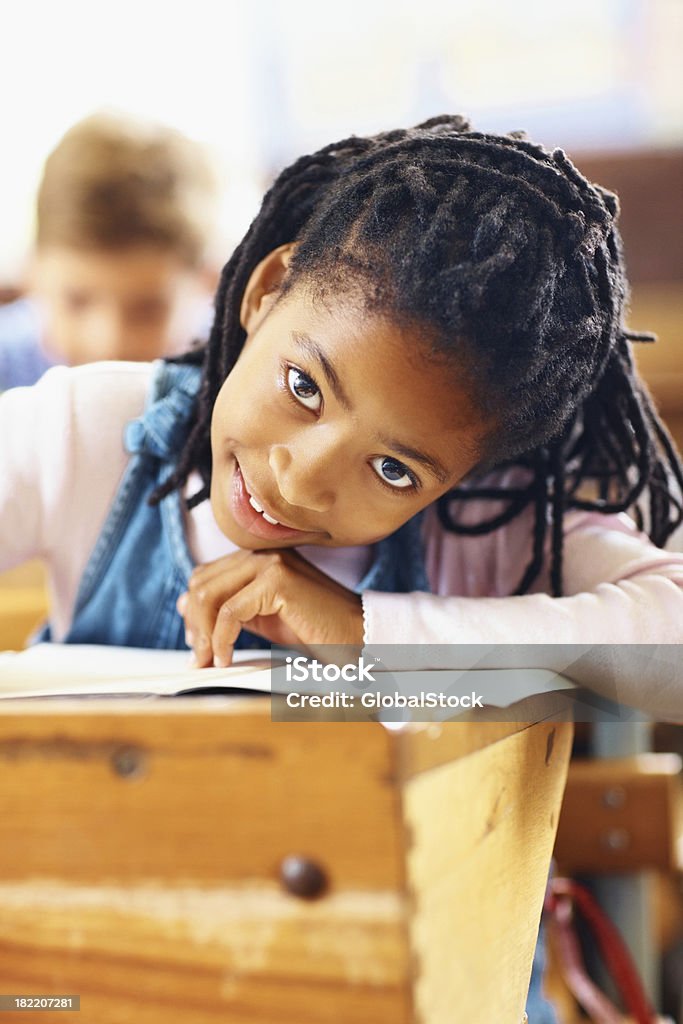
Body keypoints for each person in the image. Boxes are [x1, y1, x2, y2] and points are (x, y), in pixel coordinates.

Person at [2, 115, 683, 1022]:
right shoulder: (90, 437)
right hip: (126, 977)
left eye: (395, 469)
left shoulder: (482, 524)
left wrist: (371, 636)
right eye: (303, 387)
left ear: (465, 475)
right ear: (267, 291)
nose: (301, 477)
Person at [0, 111, 219, 390]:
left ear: (208, 286)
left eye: (147, 309)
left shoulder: (233, 374)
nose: (108, 346)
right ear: (31, 275)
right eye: (76, 301)